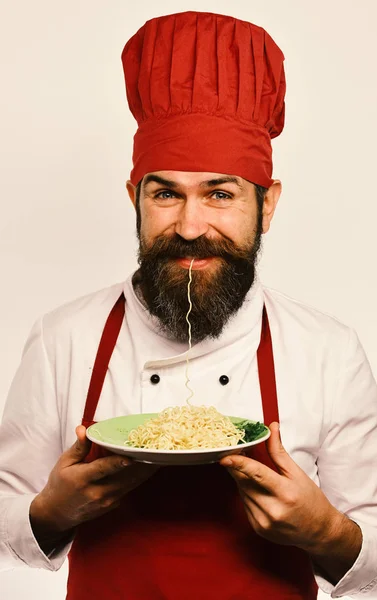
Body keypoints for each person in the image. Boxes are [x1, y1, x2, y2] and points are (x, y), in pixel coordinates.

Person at [1, 10, 377, 600]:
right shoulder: (63, 337)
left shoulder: (327, 350)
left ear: (268, 205)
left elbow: (373, 536)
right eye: (166, 193)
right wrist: (50, 511)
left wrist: (326, 531)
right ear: (135, 198)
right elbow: (6, 506)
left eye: (221, 194)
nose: (191, 225)